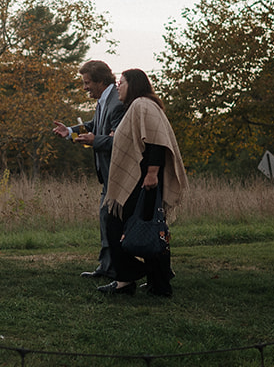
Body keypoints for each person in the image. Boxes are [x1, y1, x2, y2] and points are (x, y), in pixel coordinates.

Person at [97, 68, 187, 298]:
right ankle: (159, 284)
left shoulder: (142, 105)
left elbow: (156, 142)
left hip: (143, 180)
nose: (118, 86)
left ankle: (128, 279)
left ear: (134, 84)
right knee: (149, 228)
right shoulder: (138, 106)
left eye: (122, 82)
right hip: (141, 179)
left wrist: (152, 173)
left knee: (117, 224)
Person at [53, 59, 126, 279]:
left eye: (87, 83)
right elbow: (95, 126)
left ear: (101, 81)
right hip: (108, 175)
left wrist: (94, 141)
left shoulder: (117, 103)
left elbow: (120, 142)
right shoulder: (105, 100)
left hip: (119, 174)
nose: (84, 88)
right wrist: (70, 131)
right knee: (106, 220)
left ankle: (117, 269)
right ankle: (108, 267)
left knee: (112, 221)